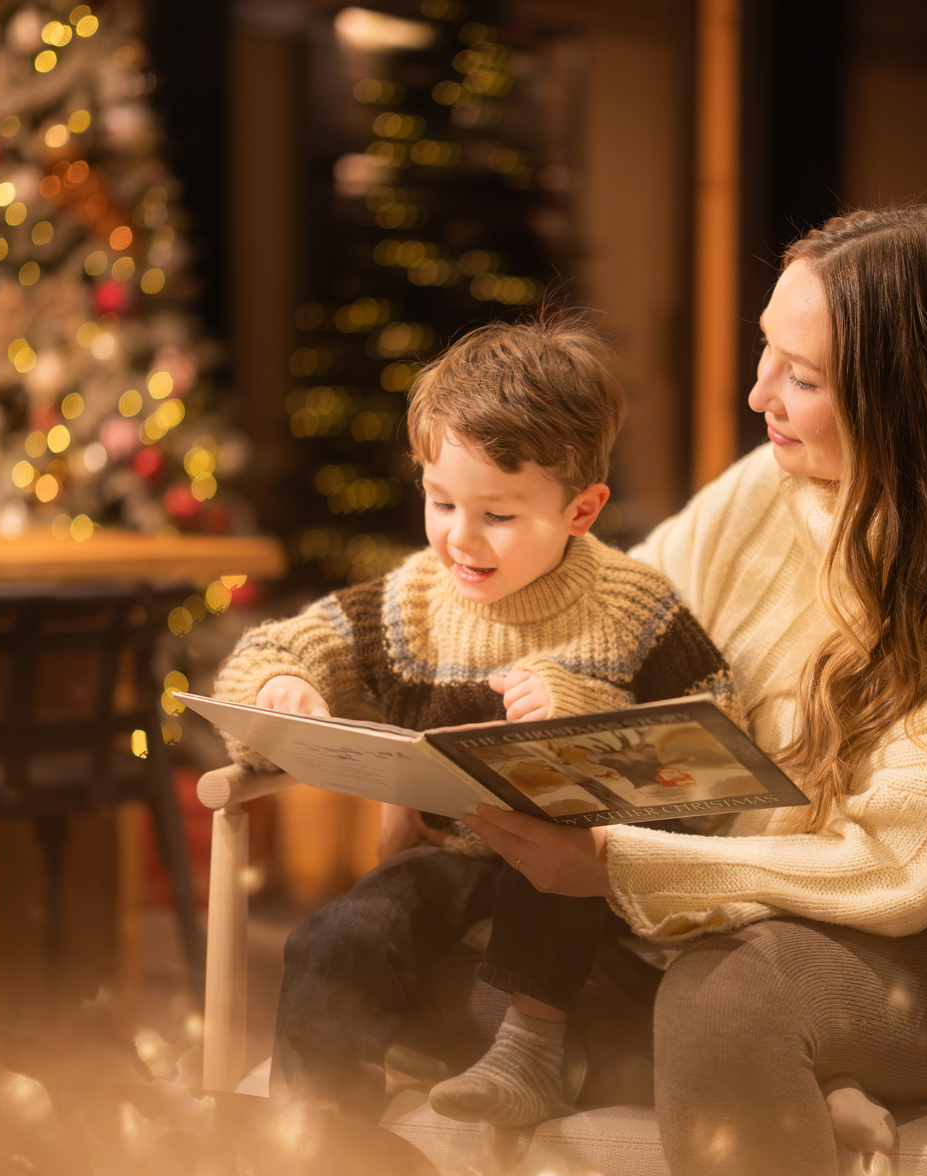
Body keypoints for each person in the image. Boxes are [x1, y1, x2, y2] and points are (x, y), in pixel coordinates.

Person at [462, 204, 927, 1176]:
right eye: (765, 355)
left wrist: (610, 862)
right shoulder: (768, 489)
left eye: (803, 377)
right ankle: (804, 1100)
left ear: (907, 401)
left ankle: (787, 1076)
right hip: (727, 905)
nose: (757, 395)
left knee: (730, 1000)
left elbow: (893, 871)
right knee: (451, 961)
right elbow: (619, 618)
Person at [210, 315, 741, 1128]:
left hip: (583, 876)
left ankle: (531, 1052)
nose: (460, 537)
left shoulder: (632, 605)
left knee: (555, 840)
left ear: (582, 511)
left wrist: (579, 711)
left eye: (497, 515)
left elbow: (715, 729)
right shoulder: (412, 599)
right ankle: (315, 1142)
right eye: (440, 500)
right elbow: (266, 651)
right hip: (452, 853)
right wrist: (285, 686)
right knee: (335, 935)